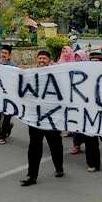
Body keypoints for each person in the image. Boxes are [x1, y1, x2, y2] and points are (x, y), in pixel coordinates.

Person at [21, 50, 65, 186]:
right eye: (39, 58)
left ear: (49, 60)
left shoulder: (56, 75)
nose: (41, 60)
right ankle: (31, 175)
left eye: (44, 58)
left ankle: (59, 167)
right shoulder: (31, 75)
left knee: (55, 144)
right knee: (34, 146)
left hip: (51, 118)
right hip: (35, 118)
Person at [0, 45, 15, 145]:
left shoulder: (13, 66)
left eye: (5, 53)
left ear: (9, 55)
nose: (3, 55)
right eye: (2, 53)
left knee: (6, 116)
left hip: (9, 96)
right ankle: (8, 127)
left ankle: (2, 136)